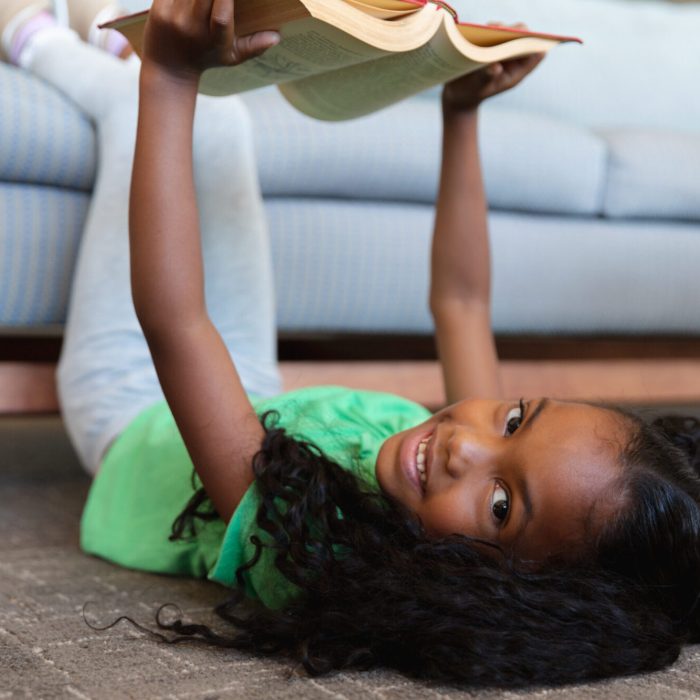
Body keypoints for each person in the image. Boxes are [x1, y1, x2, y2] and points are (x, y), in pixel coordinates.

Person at [5, 0, 700, 688]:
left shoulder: (313, 554)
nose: (469, 444)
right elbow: (461, 301)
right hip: (250, 388)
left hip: (130, 403)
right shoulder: (444, 461)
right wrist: (462, 112)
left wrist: (169, 77)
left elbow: (176, 322)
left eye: (501, 507)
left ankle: (33, 38)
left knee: (148, 108)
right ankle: (122, 44)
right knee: (223, 120)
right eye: (516, 419)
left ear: (506, 593)